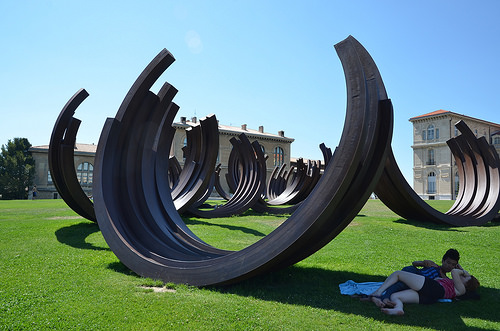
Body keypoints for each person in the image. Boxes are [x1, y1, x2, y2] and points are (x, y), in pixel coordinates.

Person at [369, 268, 479, 316]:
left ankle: (379, 292)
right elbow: (438, 279)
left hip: (435, 289)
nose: (463, 277)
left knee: (398, 274)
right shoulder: (455, 285)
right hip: (430, 298)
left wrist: (466, 273)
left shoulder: (462, 289)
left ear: (467, 284)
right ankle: (398, 308)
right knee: (395, 296)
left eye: (465, 278)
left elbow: (454, 271)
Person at [372, 249, 461, 307]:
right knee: (405, 275)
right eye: (448, 263)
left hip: (419, 284)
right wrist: (423, 263)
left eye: (453, 265)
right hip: (414, 273)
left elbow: (467, 278)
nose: (450, 266)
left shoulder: (445, 280)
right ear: (443, 261)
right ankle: (384, 298)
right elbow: (414, 263)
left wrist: (459, 268)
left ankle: (379, 297)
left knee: (401, 284)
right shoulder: (434, 265)